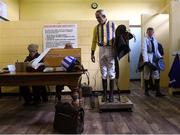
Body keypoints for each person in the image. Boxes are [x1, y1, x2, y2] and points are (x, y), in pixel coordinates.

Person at [91, 9, 116, 102]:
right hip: (101, 49)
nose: (97, 19)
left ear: (104, 16)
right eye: (96, 17)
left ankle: (111, 95)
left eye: (98, 17)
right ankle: (105, 95)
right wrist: (92, 53)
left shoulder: (113, 25)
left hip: (110, 49)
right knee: (103, 72)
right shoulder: (96, 27)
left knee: (111, 72)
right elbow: (94, 40)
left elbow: (119, 38)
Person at [142, 27, 165, 97]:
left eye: (151, 32)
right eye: (149, 32)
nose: (150, 33)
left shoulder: (154, 39)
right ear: (147, 32)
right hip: (148, 57)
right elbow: (144, 50)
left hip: (154, 58)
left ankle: (158, 92)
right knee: (147, 74)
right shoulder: (145, 39)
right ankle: (146, 91)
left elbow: (156, 50)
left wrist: (160, 57)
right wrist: (146, 61)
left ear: (153, 32)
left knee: (156, 73)